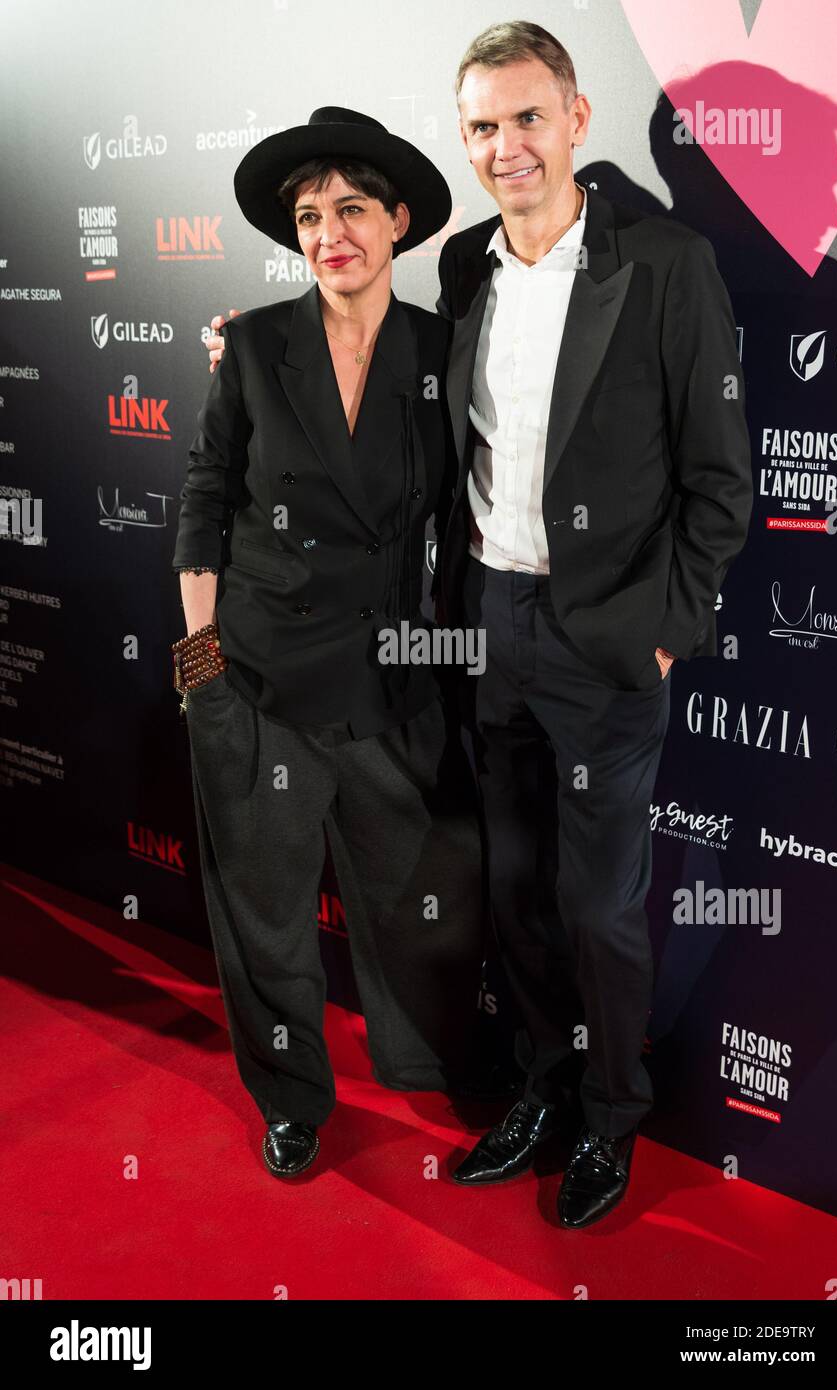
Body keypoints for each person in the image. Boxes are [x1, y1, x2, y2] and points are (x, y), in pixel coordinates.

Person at [204, 21, 753, 1229]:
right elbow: (353, 358)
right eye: (484, 127)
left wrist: (663, 630)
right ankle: (548, 1090)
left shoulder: (663, 266)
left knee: (600, 905)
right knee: (513, 888)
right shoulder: (461, 274)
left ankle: (613, 1112)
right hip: (486, 624)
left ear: (575, 119)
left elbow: (722, 483)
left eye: (527, 118)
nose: (507, 147)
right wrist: (248, 350)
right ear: (465, 139)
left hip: (606, 636)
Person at [170, 108, 485, 1181]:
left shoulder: (447, 349)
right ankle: (291, 1095)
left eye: (352, 207)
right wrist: (198, 669)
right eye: (309, 215)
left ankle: (428, 1062)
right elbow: (204, 500)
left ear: (399, 221)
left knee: (418, 891)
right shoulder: (255, 342)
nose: (328, 231)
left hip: (395, 680)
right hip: (256, 678)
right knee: (264, 914)